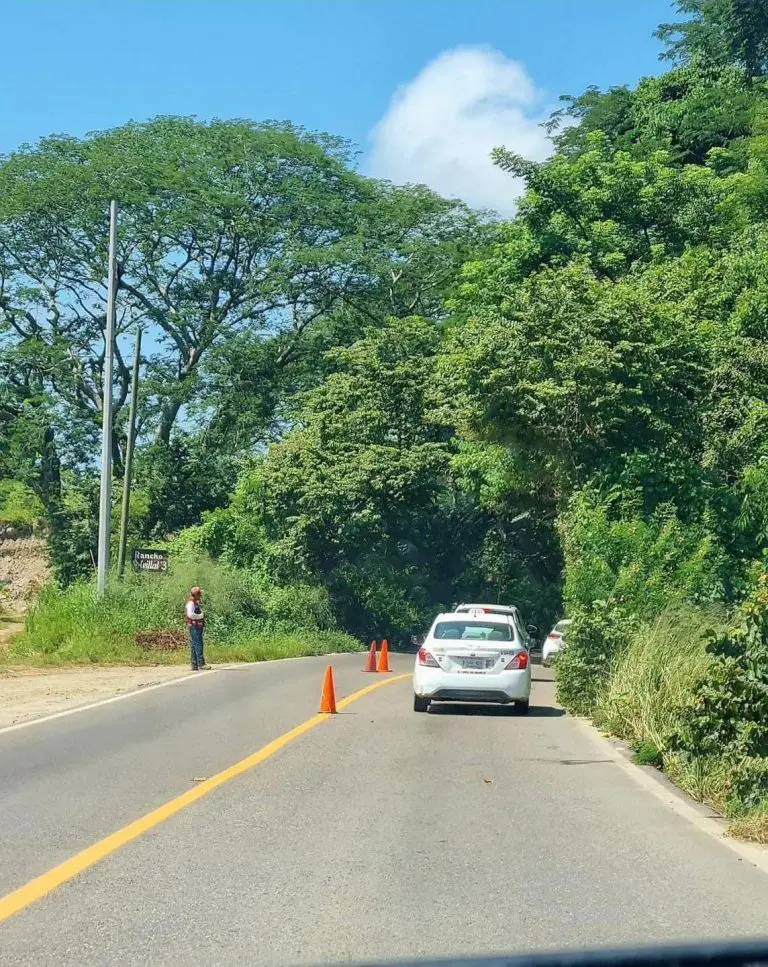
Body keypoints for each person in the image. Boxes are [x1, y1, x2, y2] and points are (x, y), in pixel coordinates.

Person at [185, 586, 210, 671]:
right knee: (199, 644)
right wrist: (201, 616)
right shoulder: (191, 603)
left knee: (194, 644)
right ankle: (201, 663)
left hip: (196, 626)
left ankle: (194, 663)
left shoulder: (195, 603)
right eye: (199, 594)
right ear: (196, 595)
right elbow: (190, 615)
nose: (200, 596)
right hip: (194, 626)